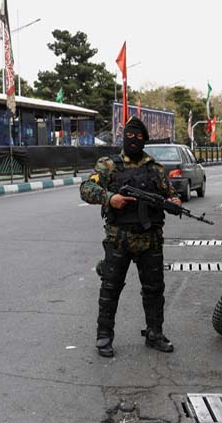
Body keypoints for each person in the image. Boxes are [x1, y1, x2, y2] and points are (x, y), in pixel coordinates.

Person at [79, 117, 180, 358]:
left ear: (145, 140)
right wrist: (109, 198)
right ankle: (104, 336)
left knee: (154, 289)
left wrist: (175, 202)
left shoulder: (155, 169)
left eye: (138, 137)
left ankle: (155, 332)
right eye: (129, 135)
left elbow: (172, 195)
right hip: (119, 239)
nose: (133, 140)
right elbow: (86, 189)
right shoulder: (109, 165)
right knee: (110, 288)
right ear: (123, 138)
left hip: (150, 240)